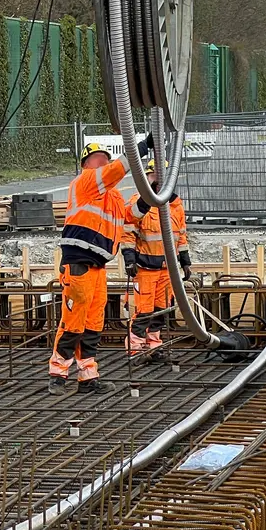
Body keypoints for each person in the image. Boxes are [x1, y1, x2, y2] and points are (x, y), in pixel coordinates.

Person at [49, 136, 151, 396]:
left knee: (94, 323)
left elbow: (131, 215)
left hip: (98, 266)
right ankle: (58, 375)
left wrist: (152, 193)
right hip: (78, 262)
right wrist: (141, 148)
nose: (103, 161)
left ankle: (88, 376)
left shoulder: (112, 195)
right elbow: (116, 171)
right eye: (98, 158)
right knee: (73, 320)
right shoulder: (84, 183)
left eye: (105, 158)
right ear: (86, 163)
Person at [122, 157, 190, 360]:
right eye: (154, 176)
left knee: (160, 311)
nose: (158, 181)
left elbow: (181, 236)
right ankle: (135, 348)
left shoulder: (176, 206)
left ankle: (154, 346)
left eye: (162, 177)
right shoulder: (140, 204)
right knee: (144, 311)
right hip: (145, 268)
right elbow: (127, 231)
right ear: (148, 178)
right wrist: (129, 258)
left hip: (166, 269)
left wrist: (185, 261)